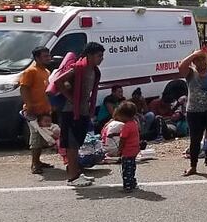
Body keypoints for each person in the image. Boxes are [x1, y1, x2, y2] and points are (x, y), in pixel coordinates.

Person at [57, 42, 105, 187]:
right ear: (89, 55)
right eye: (99, 56)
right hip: (71, 111)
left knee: (77, 143)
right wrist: (73, 99)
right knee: (72, 144)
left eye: (102, 56)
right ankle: (72, 177)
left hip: (82, 111)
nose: (101, 59)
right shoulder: (78, 68)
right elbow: (59, 82)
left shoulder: (93, 70)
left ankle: (76, 171)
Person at [177, 49, 207, 176]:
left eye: (203, 59)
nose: (201, 62)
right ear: (193, 62)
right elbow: (181, 67)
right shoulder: (190, 73)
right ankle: (193, 166)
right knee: (195, 139)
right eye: (197, 60)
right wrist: (194, 54)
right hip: (193, 111)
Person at [19, 45, 54, 175]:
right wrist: (29, 105)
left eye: (48, 55)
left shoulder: (46, 71)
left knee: (43, 137)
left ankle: (38, 161)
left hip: (44, 110)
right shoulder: (30, 71)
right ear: (37, 58)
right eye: (45, 56)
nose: (48, 58)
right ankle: (34, 163)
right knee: (35, 137)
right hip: (33, 111)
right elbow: (24, 88)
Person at [114, 101, 141, 194]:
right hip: (134, 149)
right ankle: (133, 182)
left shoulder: (126, 126)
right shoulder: (134, 123)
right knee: (132, 167)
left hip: (127, 151)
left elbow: (123, 139)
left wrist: (119, 150)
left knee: (126, 169)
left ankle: (128, 186)